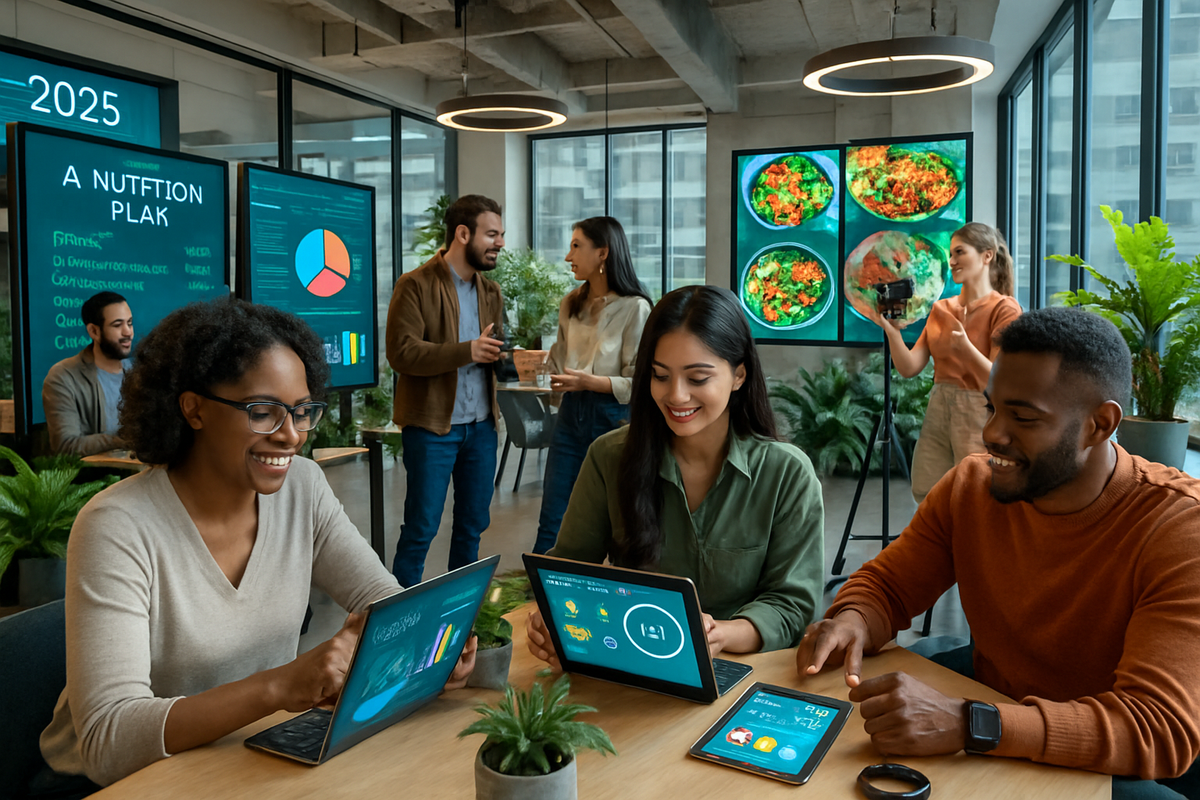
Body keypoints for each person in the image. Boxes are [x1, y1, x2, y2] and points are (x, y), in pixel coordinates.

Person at [37, 299, 476, 790]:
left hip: (248, 756)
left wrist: (431, 644)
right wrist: (279, 685)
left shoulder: (302, 487)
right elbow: (108, 740)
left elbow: (383, 601)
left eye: (301, 412)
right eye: (263, 412)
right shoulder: (117, 526)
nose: (291, 436)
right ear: (193, 408)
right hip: (122, 783)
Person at [796, 307, 1200, 799]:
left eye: (1023, 418)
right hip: (996, 702)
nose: (992, 434)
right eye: (992, 408)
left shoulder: (1180, 529)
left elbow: (1157, 729)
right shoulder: (972, 484)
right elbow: (888, 586)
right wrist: (853, 620)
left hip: (1110, 757)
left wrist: (973, 724)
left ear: (1100, 424)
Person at [527, 285, 824, 664]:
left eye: (698, 378)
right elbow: (570, 572)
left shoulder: (786, 474)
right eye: (660, 375)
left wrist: (718, 634)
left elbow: (791, 605)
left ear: (739, 375)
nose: (677, 396)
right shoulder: (609, 457)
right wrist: (555, 619)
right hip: (635, 663)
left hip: (743, 673)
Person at [386, 194, 505, 587]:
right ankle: (400, 618)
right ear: (462, 233)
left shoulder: (491, 292)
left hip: (482, 428)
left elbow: (490, 353)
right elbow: (402, 353)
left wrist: (505, 355)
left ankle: (460, 616)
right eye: (492, 234)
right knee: (421, 528)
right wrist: (468, 350)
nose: (500, 243)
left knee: (472, 527)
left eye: (501, 234)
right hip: (432, 429)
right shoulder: (415, 285)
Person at [870, 223, 1021, 504]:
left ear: (987, 256)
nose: (951, 261)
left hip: (979, 413)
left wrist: (964, 347)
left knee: (975, 493)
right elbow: (909, 367)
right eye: (951, 253)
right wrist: (893, 333)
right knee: (928, 491)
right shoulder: (941, 309)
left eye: (960, 252)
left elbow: (999, 379)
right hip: (938, 409)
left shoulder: (1005, 309)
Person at [532, 216, 652, 554]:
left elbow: (639, 382)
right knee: (553, 514)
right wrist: (537, 367)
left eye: (576, 246)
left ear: (603, 253)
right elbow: (557, 360)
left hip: (614, 418)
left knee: (620, 521)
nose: (568, 257)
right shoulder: (570, 303)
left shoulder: (635, 308)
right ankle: (539, 595)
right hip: (571, 414)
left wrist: (590, 381)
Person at [43, 291, 134, 456]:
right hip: (98, 478)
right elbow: (66, 445)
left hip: (143, 474)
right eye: (117, 325)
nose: (128, 332)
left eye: (130, 323)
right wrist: (123, 441)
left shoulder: (139, 373)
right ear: (94, 332)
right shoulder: (63, 376)